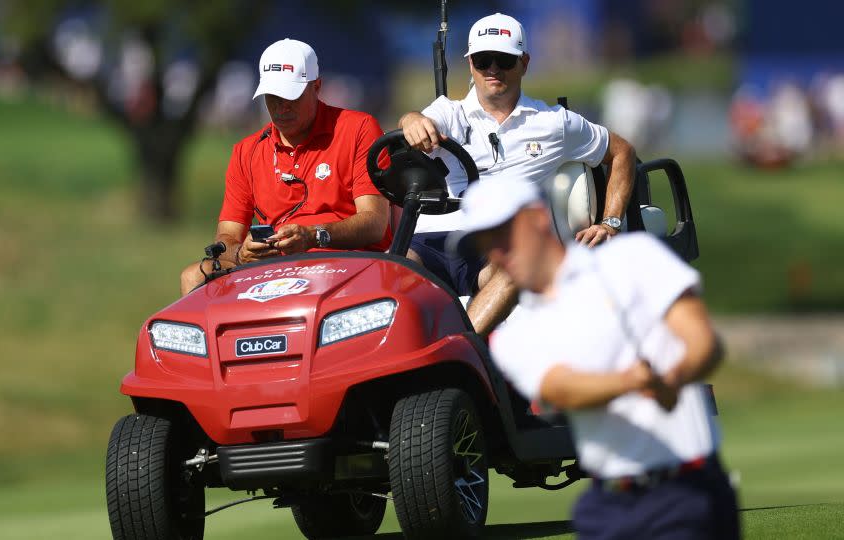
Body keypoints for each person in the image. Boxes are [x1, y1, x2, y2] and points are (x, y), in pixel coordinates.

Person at [450, 179, 740, 539]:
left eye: (503, 233)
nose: (496, 251)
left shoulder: (634, 258)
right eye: (484, 243)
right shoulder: (513, 338)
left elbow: (703, 342)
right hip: (607, 505)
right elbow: (561, 389)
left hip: (688, 489)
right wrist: (635, 382)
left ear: (538, 218)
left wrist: (674, 377)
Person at [398, 12, 637, 335]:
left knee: (514, 266)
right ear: (470, 64)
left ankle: (462, 351)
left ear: (524, 63)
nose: (493, 69)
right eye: (483, 60)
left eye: (504, 60)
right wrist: (411, 121)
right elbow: (414, 121)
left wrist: (611, 222)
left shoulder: (554, 122)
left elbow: (622, 151)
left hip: (496, 246)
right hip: (434, 238)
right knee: (391, 268)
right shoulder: (447, 112)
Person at [180, 38, 391, 295]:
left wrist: (312, 236)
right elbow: (227, 236)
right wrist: (242, 252)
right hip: (275, 268)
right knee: (192, 276)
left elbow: (374, 223)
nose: (281, 107)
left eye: (291, 96)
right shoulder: (246, 151)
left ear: (316, 87)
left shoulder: (358, 128)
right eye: (273, 97)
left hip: (347, 263)